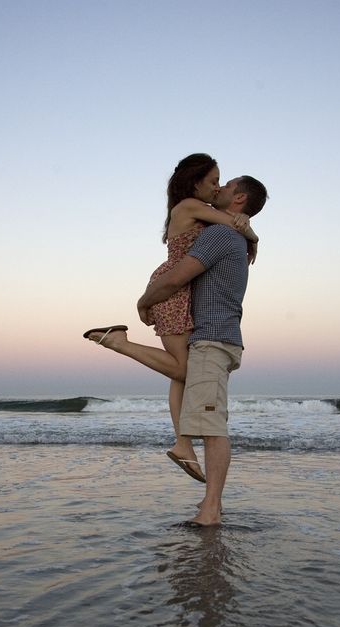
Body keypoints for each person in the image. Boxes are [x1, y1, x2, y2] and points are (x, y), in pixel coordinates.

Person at [85, 173, 268, 525]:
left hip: (213, 339)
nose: (220, 188)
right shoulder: (234, 235)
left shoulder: (219, 234)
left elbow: (176, 277)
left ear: (240, 198)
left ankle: (211, 509)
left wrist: (143, 301)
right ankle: (202, 486)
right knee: (188, 385)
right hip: (219, 337)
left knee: (213, 428)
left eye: (227, 185)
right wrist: (252, 235)